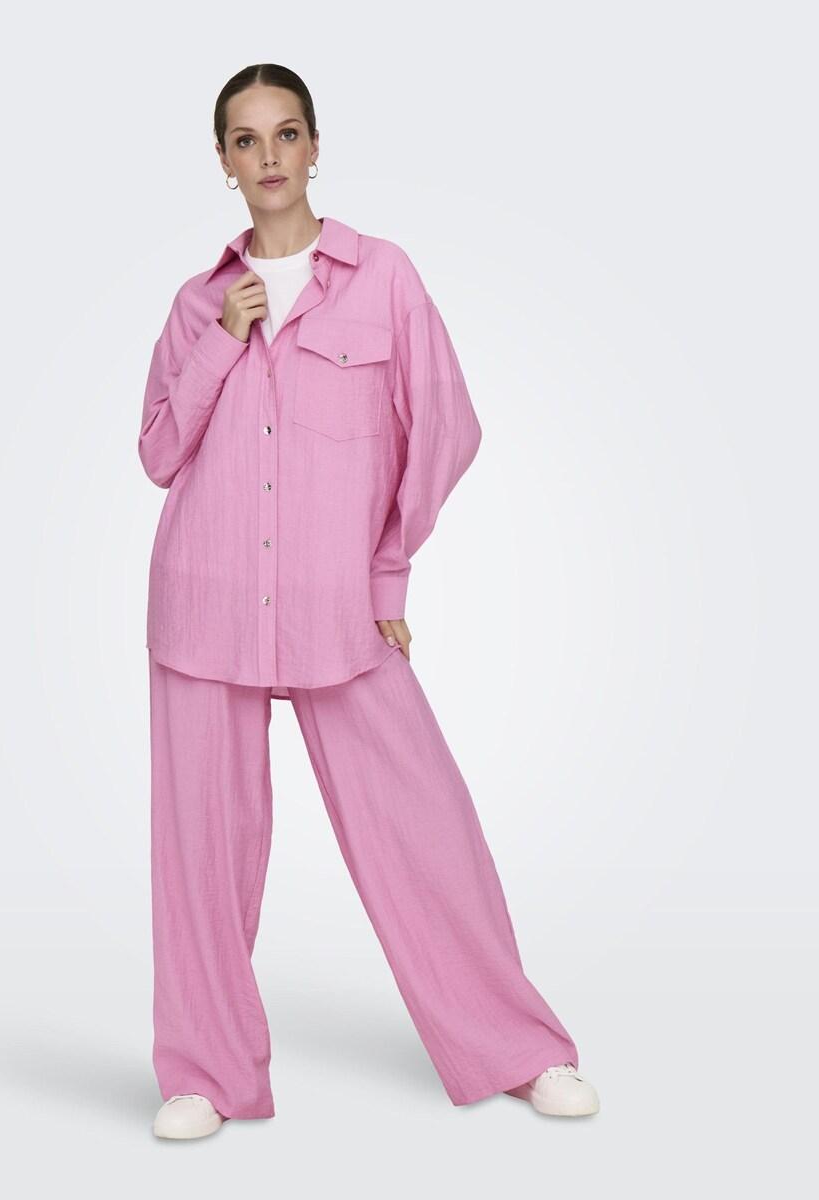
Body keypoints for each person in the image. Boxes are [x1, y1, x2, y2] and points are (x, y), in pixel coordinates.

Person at [138, 63, 600, 1141]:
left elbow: (443, 429)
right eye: (245, 140)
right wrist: (220, 339)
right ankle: (204, 1074)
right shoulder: (197, 302)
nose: (268, 157)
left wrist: (388, 569)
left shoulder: (383, 277)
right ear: (222, 163)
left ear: (314, 146)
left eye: (285, 134)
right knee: (201, 851)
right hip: (204, 604)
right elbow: (158, 453)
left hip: (339, 607)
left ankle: (518, 1047)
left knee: (424, 827)